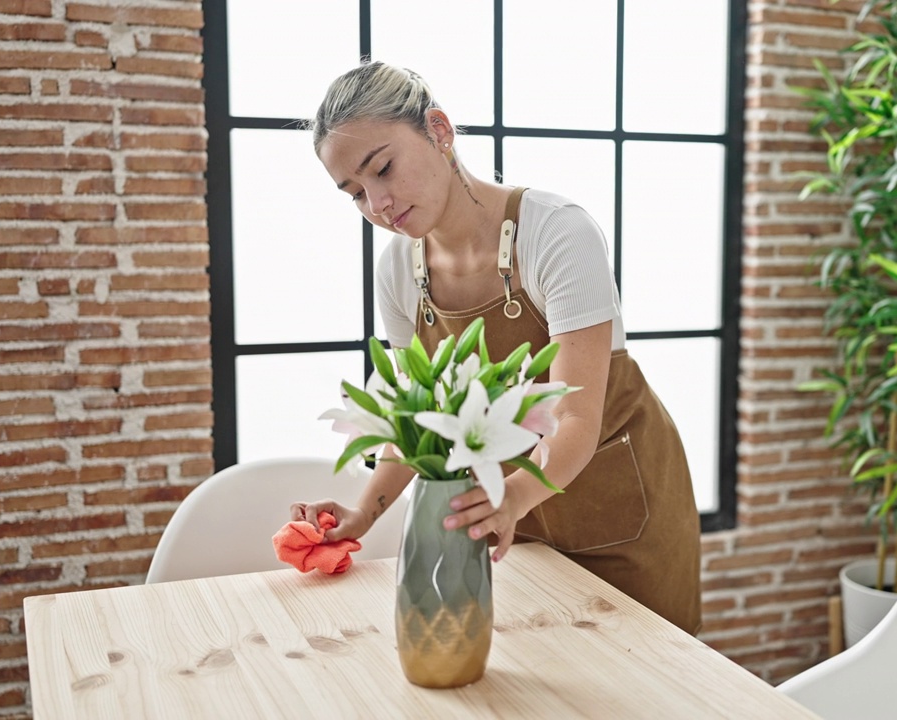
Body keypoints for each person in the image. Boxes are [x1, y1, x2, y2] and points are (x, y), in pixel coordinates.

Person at [290, 61, 702, 634]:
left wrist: (513, 498)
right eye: (355, 193)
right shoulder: (399, 272)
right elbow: (421, 413)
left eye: (382, 169)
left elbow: (574, 414)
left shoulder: (556, 232)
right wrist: (363, 513)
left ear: (439, 130)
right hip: (510, 516)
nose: (377, 204)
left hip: (622, 513)